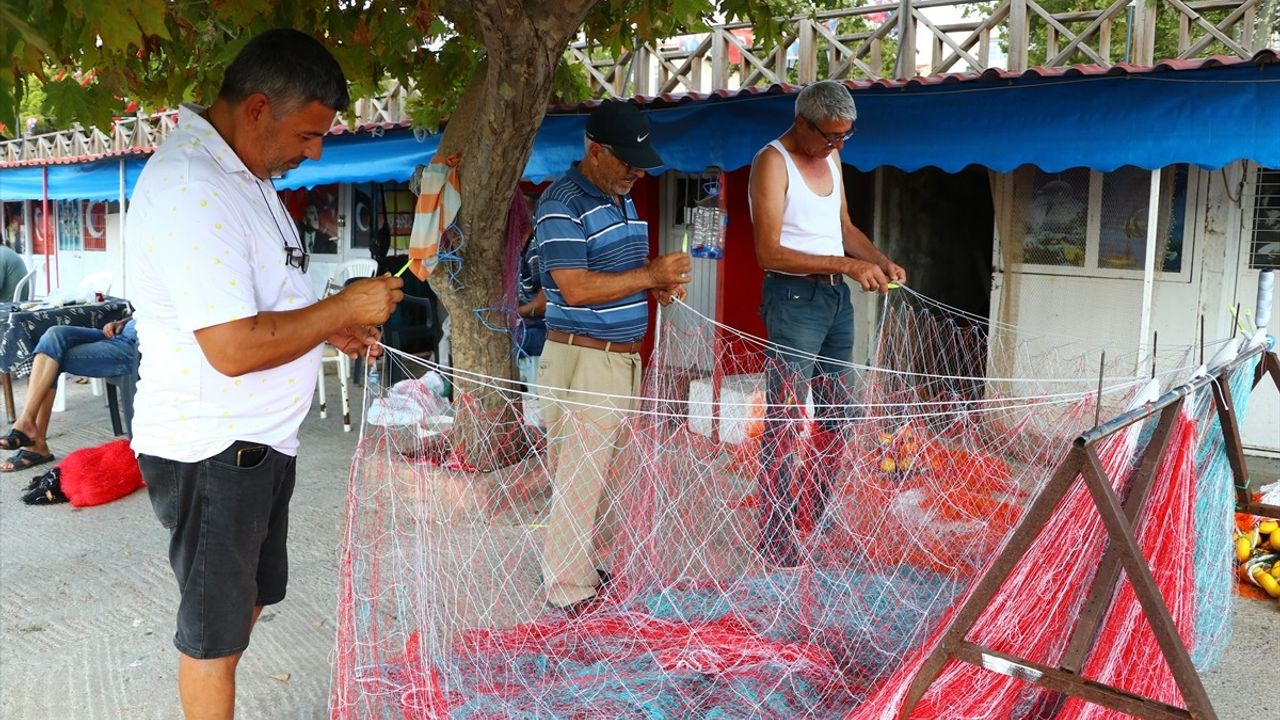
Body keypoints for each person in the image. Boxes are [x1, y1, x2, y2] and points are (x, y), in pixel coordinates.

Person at [124, 29, 403, 720]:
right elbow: (233, 349)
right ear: (255, 108)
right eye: (308, 135)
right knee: (212, 639)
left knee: (244, 605)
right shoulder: (193, 183)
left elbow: (266, 305)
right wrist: (340, 304)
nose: (314, 152)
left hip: (259, 445)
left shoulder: (245, 175)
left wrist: (328, 325)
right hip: (215, 448)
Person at [535, 100, 691, 614]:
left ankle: (589, 570)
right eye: (627, 161)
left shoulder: (620, 197)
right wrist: (649, 277)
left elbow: (618, 274)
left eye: (641, 161)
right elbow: (576, 289)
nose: (637, 172)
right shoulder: (562, 203)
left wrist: (657, 284)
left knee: (608, 475)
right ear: (595, 151)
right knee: (579, 479)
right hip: (585, 359)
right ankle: (567, 591)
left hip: (622, 359)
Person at [748, 80, 907, 568]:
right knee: (786, 416)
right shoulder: (772, 162)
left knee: (840, 414)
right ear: (802, 123)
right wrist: (845, 266)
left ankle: (813, 513)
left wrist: (879, 259)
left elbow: (844, 228)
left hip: (836, 300)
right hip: (794, 298)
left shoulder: (832, 158)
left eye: (844, 138)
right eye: (830, 137)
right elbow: (767, 252)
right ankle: (775, 535)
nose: (836, 146)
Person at [0, 317, 137, 471]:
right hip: (120, 333)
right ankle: (27, 423)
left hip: (135, 347)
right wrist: (122, 322)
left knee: (50, 356)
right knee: (54, 335)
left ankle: (33, 440)